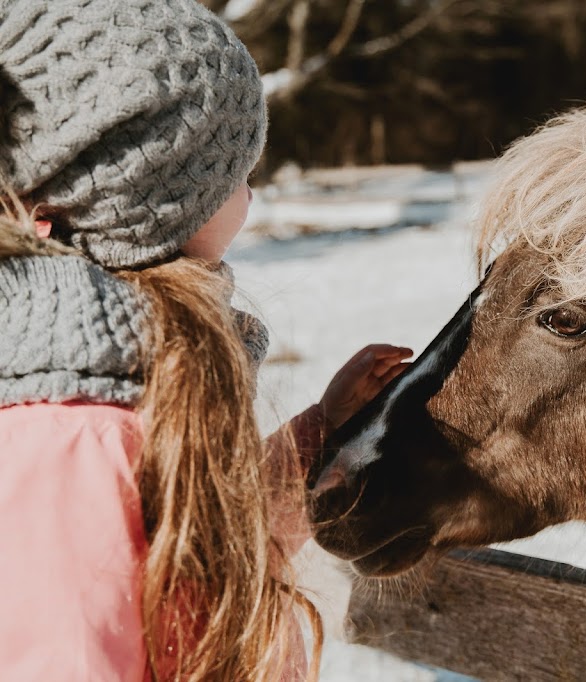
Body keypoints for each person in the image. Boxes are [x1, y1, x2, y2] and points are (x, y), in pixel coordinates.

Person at [0, 0, 411, 679]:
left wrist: (319, 435)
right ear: (146, 191)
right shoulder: (69, 431)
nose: (250, 195)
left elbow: (200, 555)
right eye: (231, 173)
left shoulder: (116, 376)